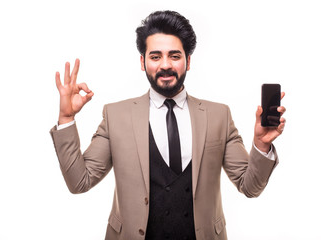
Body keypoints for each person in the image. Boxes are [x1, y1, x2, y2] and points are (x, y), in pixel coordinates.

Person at [50, 10, 286, 240]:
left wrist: (261, 146)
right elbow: (79, 182)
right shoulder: (116, 116)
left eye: (174, 56)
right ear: (143, 62)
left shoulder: (219, 116)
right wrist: (66, 118)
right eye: (155, 56)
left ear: (188, 61)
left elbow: (249, 187)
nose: (165, 65)